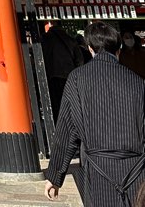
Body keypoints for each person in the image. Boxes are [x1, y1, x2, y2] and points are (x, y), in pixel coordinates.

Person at [45, 20, 145, 206]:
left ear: (90, 48)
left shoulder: (77, 79)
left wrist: (55, 175)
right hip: (137, 170)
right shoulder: (138, 82)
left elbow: (67, 129)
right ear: (118, 50)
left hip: (97, 169)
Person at [43, 24, 87, 116]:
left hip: (51, 75)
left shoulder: (45, 39)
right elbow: (80, 60)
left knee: (55, 103)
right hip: (68, 75)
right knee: (69, 101)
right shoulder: (70, 40)